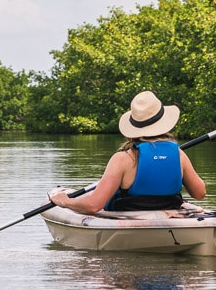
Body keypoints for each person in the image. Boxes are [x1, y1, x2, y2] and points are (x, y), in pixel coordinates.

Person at [49, 90, 207, 214]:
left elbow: (93, 205)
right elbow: (200, 193)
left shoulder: (123, 159)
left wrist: (65, 201)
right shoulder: (178, 154)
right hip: (170, 213)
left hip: (129, 217)